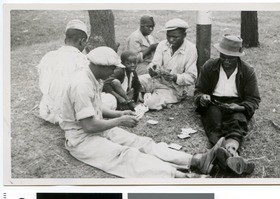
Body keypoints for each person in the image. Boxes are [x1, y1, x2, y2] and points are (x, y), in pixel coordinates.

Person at [59, 46, 234, 178]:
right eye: (112, 68)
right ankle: (181, 176)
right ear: (101, 66)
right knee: (126, 156)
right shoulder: (81, 85)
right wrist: (119, 122)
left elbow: (95, 109)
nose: (114, 71)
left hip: (100, 129)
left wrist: (119, 114)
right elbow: (89, 125)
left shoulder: (93, 77)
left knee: (142, 142)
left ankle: (195, 160)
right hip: (82, 139)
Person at [194, 34, 261, 175]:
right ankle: (228, 155)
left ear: (238, 56)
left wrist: (240, 107)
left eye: (231, 58)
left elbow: (253, 99)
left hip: (237, 103)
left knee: (237, 120)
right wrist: (203, 98)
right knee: (214, 120)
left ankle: (229, 152)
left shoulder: (247, 71)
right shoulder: (209, 66)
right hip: (214, 102)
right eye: (223, 56)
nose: (226, 61)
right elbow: (199, 91)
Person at [37, 19, 116, 124]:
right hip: (69, 114)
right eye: (85, 42)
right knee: (110, 100)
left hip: (47, 112)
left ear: (66, 40)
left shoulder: (48, 56)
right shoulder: (83, 60)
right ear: (82, 41)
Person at [139, 18, 198, 110]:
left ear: (184, 35)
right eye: (168, 36)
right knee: (135, 81)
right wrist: (152, 69)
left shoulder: (191, 49)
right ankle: (148, 94)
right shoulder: (162, 44)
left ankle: (146, 96)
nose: (171, 40)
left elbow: (192, 77)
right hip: (156, 80)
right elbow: (154, 63)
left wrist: (175, 77)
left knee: (150, 103)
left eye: (175, 37)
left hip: (174, 88)